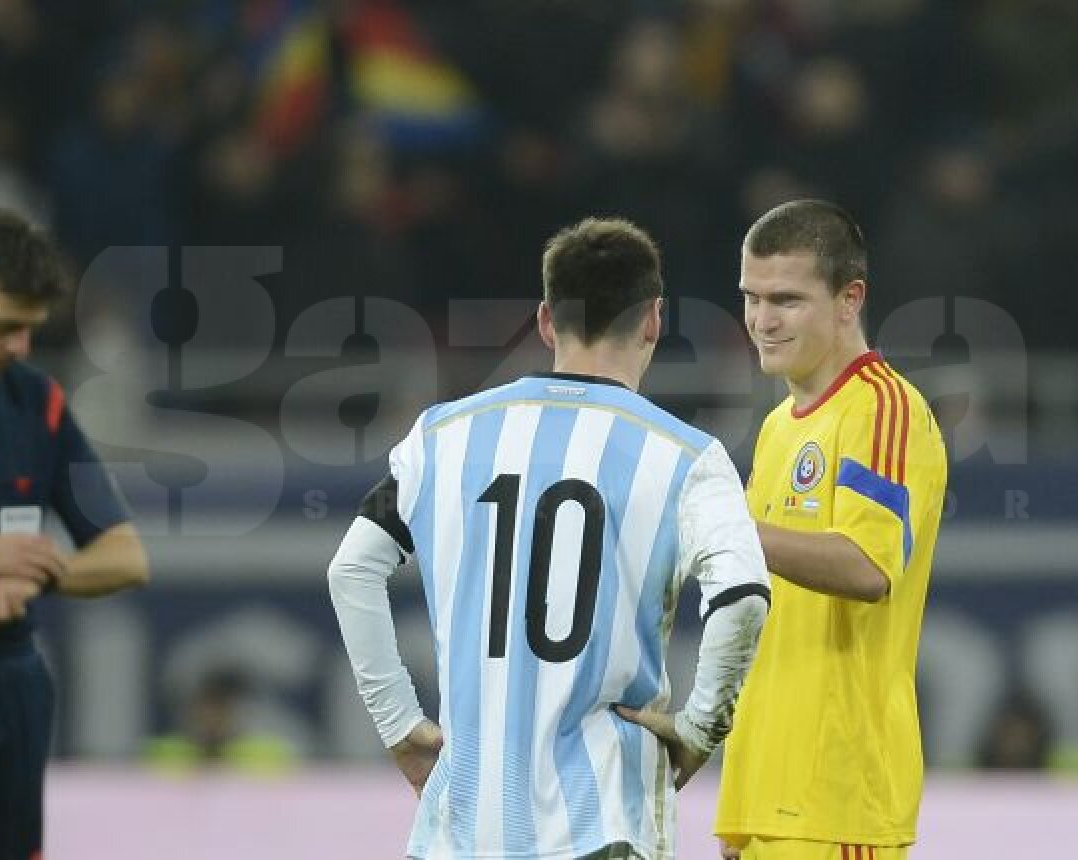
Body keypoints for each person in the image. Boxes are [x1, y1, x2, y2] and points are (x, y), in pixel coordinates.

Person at [329, 217, 771, 860]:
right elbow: (744, 596)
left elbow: (350, 570)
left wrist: (397, 720)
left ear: (544, 320)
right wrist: (703, 727)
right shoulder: (686, 457)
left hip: (461, 829)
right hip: (602, 823)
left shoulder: (441, 437)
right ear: (654, 320)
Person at [712, 201, 947, 860]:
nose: (762, 320)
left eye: (786, 299)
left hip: (838, 800)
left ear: (850, 299)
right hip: (765, 796)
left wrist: (726, 525)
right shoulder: (778, 427)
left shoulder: (885, 408)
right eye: (752, 297)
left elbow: (867, 568)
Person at [0, 209, 149, 860]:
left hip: (8, 684)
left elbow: (125, 555)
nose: (17, 347)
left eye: (29, 330)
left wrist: (35, 571)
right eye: (1, 326)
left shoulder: (37, 402)